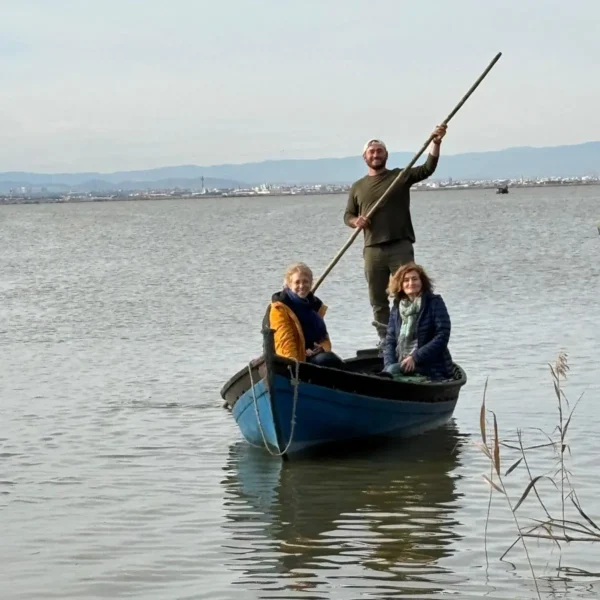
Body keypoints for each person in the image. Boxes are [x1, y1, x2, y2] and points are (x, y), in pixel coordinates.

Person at [344, 124, 448, 344]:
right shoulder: (358, 187)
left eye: (379, 151)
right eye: (371, 152)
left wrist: (436, 142)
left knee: (407, 291)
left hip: (400, 245)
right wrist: (356, 221)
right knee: (377, 297)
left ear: (386, 155)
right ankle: (385, 338)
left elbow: (427, 168)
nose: (375, 154)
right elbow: (348, 215)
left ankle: (412, 334)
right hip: (373, 249)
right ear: (364, 157)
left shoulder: (399, 176)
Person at [380, 262, 454, 381]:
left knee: (391, 374)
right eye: (406, 280)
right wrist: (389, 365)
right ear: (400, 285)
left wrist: (415, 357)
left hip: (429, 366)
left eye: (415, 279)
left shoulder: (434, 303)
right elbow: (390, 341)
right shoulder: (397, 307)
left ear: (422, 282)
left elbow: (442, 336)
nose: (411, 283)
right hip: (401, 362)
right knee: (389, 372)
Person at [265, 262, 345, 368]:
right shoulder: (280, 308)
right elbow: (285, 341)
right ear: (289, 285)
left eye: (305, 282)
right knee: (326, 360)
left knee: (329, 359)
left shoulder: (315, 306)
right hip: (289, 362)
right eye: (297, 282)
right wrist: (295, 367)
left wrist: (321, 348)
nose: (302, 286)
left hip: (310, 357)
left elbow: (325, 339)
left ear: (311, 283)